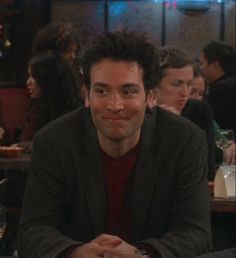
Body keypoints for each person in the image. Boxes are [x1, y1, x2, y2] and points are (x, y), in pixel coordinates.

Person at [17, 31, 211, 258]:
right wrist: (75, 252)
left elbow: (195, 233)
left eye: (128, 91)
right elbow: (33, 230)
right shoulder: (54, 141)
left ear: (150, 97)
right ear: (87, 96)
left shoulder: (184, 140)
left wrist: (141, 254)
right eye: (102, 91)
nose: (115, 105)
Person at [150, 46, 216, 181]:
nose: (185, 93)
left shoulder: (199, 110)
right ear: (154, 85)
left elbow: (206, 171)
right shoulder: (139, 113)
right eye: (177, 84)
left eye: (189, 84)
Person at [14, 50, 80, 152]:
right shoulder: (34, 107)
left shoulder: (70, 113)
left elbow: (58, 146)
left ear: (48, 79)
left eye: (34, 77)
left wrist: (22, 146)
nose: (28, 82)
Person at [190, 65, 235, 165]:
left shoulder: (202, 114)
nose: (197, 98)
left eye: (201, 94)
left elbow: (223, 143)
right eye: (192, 92)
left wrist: (231, 148)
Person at [32, 21, 84, 103]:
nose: (73, 56)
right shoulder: (39, 80)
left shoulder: (76, 78)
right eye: (68, 51)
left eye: (74, 51)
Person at [200, 41, 235, 132]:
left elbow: (202, 117)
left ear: (215, 64)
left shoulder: (222, 89)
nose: (200, 68)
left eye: (202, 63)